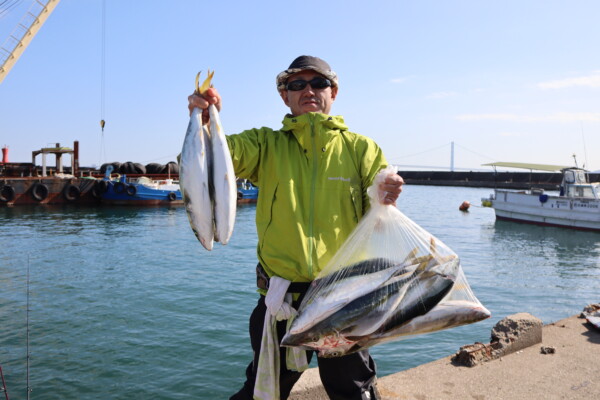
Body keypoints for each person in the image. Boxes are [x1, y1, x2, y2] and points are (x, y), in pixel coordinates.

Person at [188, 55, 404, 400]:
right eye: (296, 84)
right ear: (283, 95)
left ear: (333, 92)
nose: (308, 90)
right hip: (280, 301)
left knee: (353, 391)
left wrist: (388, 189)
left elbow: (379, 199)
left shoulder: (361, 148)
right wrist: (205, 122)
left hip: (342, 300)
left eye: (318, 83)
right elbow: (217, 158)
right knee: (264, 391)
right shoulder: (265, 145)